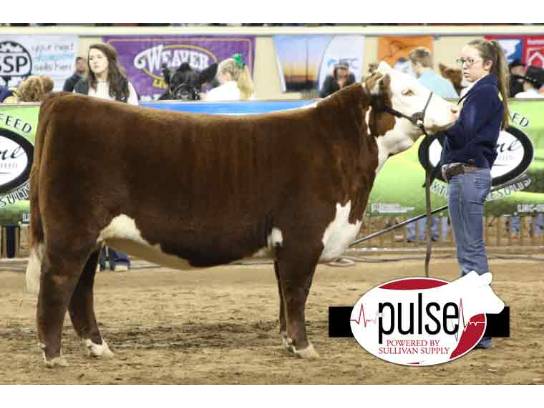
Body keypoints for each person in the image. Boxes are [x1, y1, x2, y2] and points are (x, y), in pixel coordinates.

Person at [441, 39, 510, 350]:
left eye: (469, 61)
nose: (464, 66)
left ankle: (482, 329)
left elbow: (462, 133)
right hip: (469, 175)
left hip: (467, 176)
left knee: (470, 253)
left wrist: (441, 121)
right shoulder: (482, 92)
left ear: (487, 64)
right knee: (470, 251)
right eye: (462, 61)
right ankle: (479, 325)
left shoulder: (482, 93)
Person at [74, 43, 139, 271]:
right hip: (90, 155)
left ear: (109, 60)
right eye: (91, 58)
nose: (94, 62)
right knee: (92, 207)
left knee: (119, 206)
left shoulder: (124, 87)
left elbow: (136, 119)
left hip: (120, 154)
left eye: (99, 57)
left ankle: (120, 257)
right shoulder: (81, 88)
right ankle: (95, 258)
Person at [405, 47, 457, 243]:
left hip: (418, 145)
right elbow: (455, 110)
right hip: (444, 143)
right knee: (441, 187)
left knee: (414, 188)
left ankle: (415, 234)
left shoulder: (414, 86)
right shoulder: (446, 84)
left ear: (416, 63)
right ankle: (440, 233)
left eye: (412, 64)